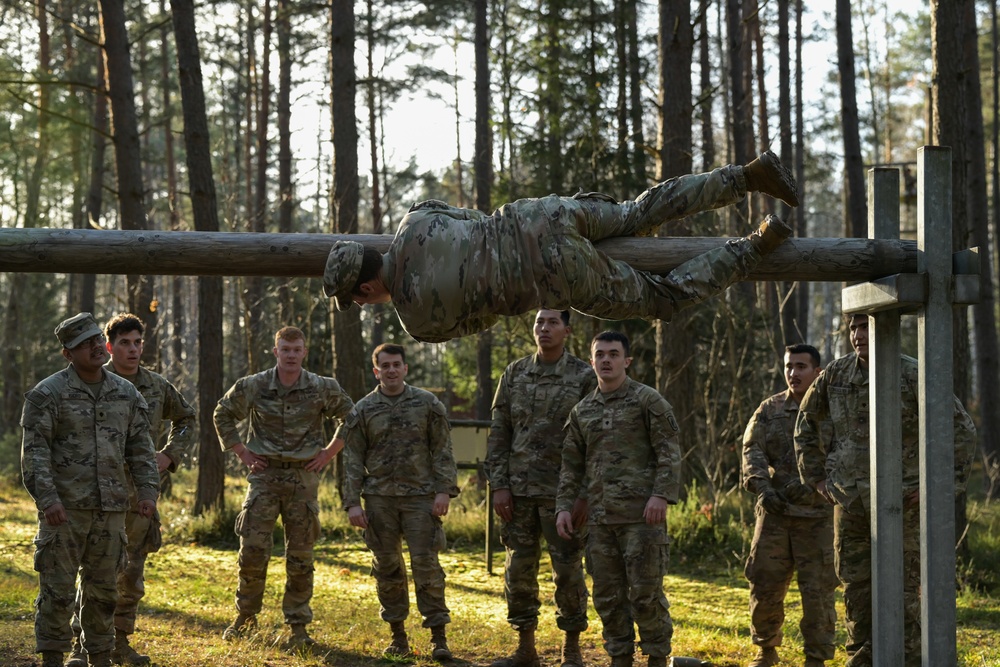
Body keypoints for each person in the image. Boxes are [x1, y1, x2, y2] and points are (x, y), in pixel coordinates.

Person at [322, 152, 799, 343]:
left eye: (358, 299)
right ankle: (747, 175)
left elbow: (486, 317)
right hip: (540, 216)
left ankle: (757, 245)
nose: (363, 304)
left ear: (365, 286)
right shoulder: (416, 219)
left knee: (663, 298)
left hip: (549, 274)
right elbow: (471, 219)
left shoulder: (418, 322)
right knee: (638, 212)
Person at [794, 314, 977, 667]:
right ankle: (863, 660)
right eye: (854, 328)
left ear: (887, 327)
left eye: (867, 326)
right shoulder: (836, 373)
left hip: (903, 502)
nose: (859, 335)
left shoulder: (913, 373)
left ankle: (908, 660)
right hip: (851, 503)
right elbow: (805, 422)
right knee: (857, 591)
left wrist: (934, 487)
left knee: (906, 593)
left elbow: (962, 430)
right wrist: (816, 477)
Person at [21, 313, 159, 667]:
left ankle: (100, 658)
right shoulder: (47, 394)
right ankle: (52, 658)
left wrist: (147, 492)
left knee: (104, 593)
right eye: (85, 343)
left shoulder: (125, 393)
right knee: (57, 591)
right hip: (64, 513)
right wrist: (49, 501)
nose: (97, 346)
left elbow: (141, 448)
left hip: (111, 510)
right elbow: (35, 454)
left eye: (97, 338)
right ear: (68, 354)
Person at [65, 313, 197, 667]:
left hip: (138, 495)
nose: (133, 349)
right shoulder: (92, 382)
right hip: (96, 495)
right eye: (124, 342)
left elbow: (188, 419)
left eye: (138, 342)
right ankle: (85, 645)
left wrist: (170, 454)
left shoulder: (156, 386)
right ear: (109, 347)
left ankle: (119, 642)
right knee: (94, 571)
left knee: (131, 572)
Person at [214, 326, 354, 649]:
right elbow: (222, 412)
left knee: (301, 556)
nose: (291, 355)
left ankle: (298, 626)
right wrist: (241, 451)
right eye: (285, 349)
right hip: (263, 477)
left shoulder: (321, 388)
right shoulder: (255, 385)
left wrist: (329, 453)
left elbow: (353, 417)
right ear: (275, 351)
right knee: (252, 550)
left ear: (304, 352)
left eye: (296, 349)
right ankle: (245, 618)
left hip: (303, 479)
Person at [556, 331, 683, 667]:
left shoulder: (647, 401)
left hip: (642, 519)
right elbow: (571, 466)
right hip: (599, 522)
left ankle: (657, 657)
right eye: (600, 355)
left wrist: (660, 495)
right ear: (592, 360)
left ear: (627, 360)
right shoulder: (582, 411)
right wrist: (563, 509)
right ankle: (620, 657)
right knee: (608, 597)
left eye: (613, 354)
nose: (606, 360)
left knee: (645, 595)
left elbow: (669, 452)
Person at [486, 309, 596, 667]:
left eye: (552, 322)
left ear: (567, 329)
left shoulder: (583, 376)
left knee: (567, 571)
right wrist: (499, 485)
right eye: (539, 322)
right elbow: (499, 431)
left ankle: (572, 648)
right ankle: (525, 648)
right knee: (518, 571)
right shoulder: (515, 373)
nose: (544, 328)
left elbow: (592, 440)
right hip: (517, 493)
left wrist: (582, 495)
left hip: (561, 495)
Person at [341, 343, 459, 661]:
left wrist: (444, 490)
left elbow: (443, 450)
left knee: (427, 567)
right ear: (376, 371)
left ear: (405, 368)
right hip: (380, 500)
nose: (391, 370)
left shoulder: (427, 404)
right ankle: (398, 637)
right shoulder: (362, 410)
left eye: (397, 365)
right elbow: (352, 459)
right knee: (388, 569)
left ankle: (438, 637)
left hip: (421, 498)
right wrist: (352, 503)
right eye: (385, 366)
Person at [741, 344, 837, 667]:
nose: (793, 373)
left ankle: (816, 657)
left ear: (817, 372)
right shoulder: (769, 410)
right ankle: (765, 649)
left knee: (819, 591)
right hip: (775, 514)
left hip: (818, 517)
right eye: (788, 366)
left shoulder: (831, 409)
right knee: (764, 581)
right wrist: (763, 489)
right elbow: (751, 449)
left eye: (801, 366)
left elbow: (845, 454)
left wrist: (823, 486)